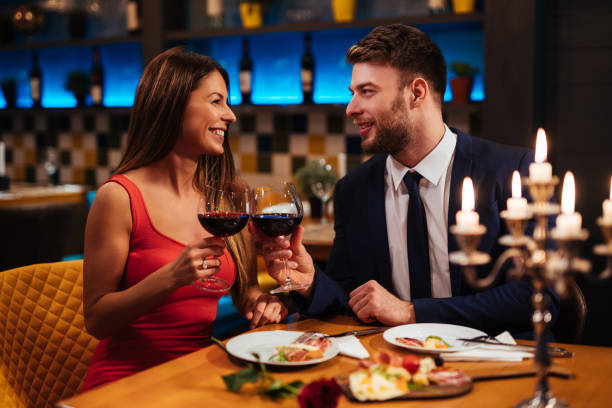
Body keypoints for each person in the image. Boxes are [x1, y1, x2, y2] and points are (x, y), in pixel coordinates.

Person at [256, 24, 558, 338]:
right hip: (393, 369)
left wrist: (411, 312)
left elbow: (537, 297)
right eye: (352, 93)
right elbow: (351, 299)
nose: (351, 108)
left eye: (367, 91)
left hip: (501, 366)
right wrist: (311, 283)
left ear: (416, 93)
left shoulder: (514, 172)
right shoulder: (353, 190)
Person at [82, 47, 287, 390]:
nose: (231, 115)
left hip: (199, 376)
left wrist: (264, 304)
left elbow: (246, 292)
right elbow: (97, 319)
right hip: (127, 381)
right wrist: (170, 277)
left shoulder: (228, 195)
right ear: (172, 105)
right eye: (216, 101)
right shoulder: (118, 197)